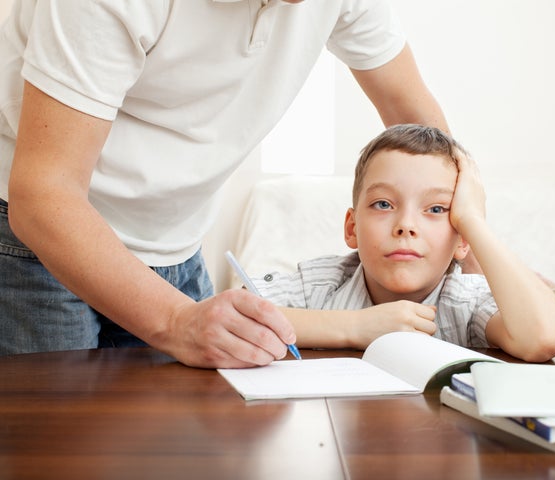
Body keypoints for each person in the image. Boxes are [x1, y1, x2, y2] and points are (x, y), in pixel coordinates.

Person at [0, 1, 451, 368]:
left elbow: (431, 139)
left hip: (177, 243)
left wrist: (472, 269)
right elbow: (44, 195)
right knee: (57, 447)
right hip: (42, 242)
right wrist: (178, 322)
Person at [252, 124, 555, 362]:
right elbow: (233, 317)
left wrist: (473, 220)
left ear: (463, 241)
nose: (405, 225)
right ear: (352, 228)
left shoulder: (466, 302)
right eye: (383, 204)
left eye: (435, 209)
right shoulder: (320, 286)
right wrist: (355, 327)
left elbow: (544, 337)